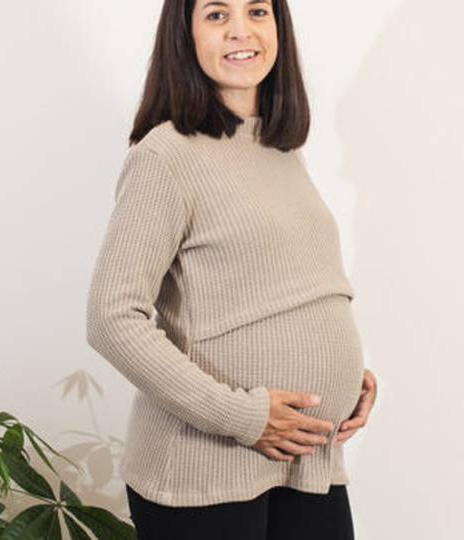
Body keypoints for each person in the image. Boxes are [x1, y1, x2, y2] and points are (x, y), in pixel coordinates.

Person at [86, 0, 378, 538]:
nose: (241, 31)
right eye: (217, 15)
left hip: (307, 457)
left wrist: (346, 374)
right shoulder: (166, 155)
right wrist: (242, 416)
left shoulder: (279, 148)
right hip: (205, 468)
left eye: (258, 11)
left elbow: (282, 284)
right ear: (185, 35)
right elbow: (111, 318)